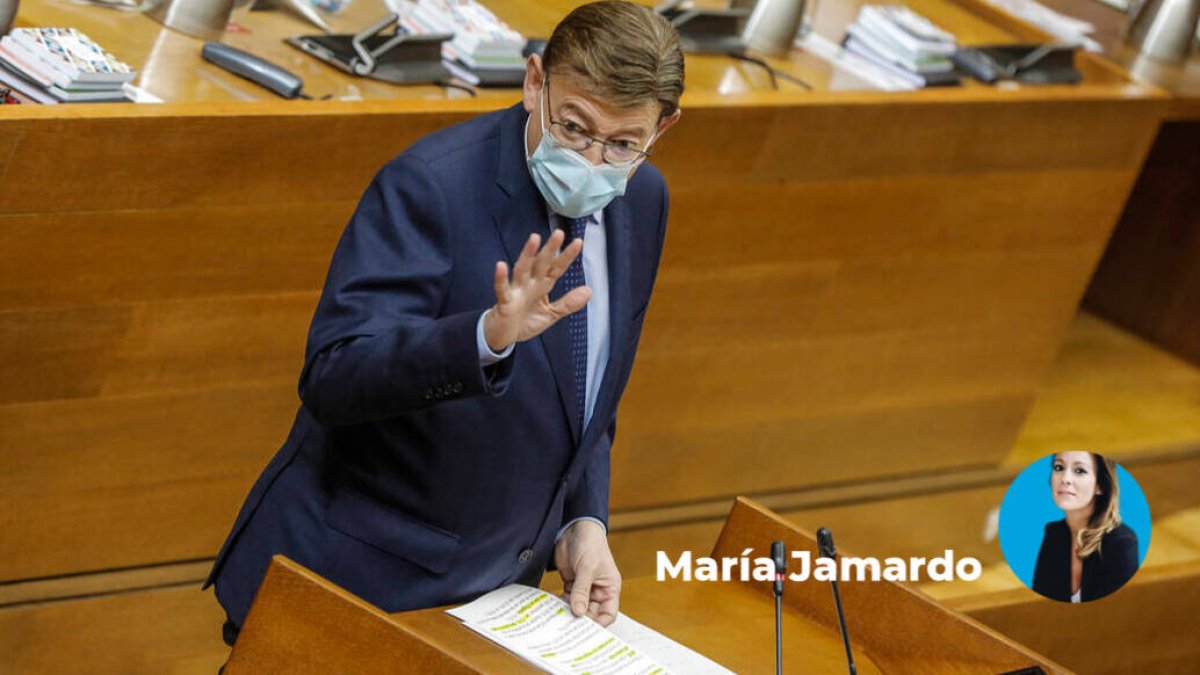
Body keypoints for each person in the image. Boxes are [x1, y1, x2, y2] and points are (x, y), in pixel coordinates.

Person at [203, 0, 683, 645]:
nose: (595, 160)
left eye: (624, 143)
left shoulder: (642, 200)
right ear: (535, 82)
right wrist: (483, 338)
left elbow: (589, 394)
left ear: (664, 129)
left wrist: (583, 523)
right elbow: (335, 376)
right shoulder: (430, 184)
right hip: (357, 583)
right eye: (573, 128)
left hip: (490, 602)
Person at [1031, 451, 1139, 602]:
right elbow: (1039, 601)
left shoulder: (1121, 542)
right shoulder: (1054, 533)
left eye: (1079, 470)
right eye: (1059, 467)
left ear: (1100, 486)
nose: (1065, 479)